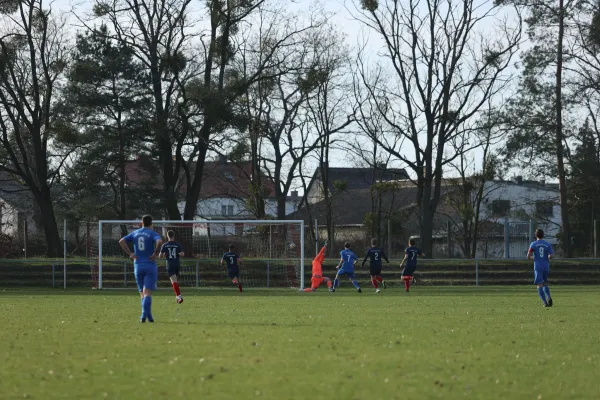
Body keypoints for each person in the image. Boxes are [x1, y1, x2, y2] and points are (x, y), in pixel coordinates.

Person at [119, 215, 162, 323]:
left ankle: (149, 316)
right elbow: (159, 242)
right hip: (150, 265)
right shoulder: (152, 233)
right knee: (147, 292)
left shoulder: (135, 233)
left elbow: (121, 241)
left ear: (141, 223)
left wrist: (130, 254)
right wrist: (155, 253)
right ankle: (144, 314)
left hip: (137, 265)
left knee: (142, 293)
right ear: (151, 223)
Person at [527, 228, 554, 307]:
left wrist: (533, 258)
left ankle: (545, 303)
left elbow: (528, 256)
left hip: (538, 266)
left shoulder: (533, 244)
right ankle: (548, 296)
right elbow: (551, 255)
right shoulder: (547, 244)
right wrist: (548, 256)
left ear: (535, 235)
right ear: (543, 235)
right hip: (546, 266)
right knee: (545, 282)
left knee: (539, 284)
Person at [159, 230, 185, 304]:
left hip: (170, 265)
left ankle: (179, 296)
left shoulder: (165, 245)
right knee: (175, 281)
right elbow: (182, 254)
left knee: (174, 282)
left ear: (167, 236)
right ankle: (177, 297)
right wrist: (177, 253)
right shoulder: (177, 244)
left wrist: (165, 254)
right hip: (177, 264)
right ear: (174, 236)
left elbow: (160, 256)